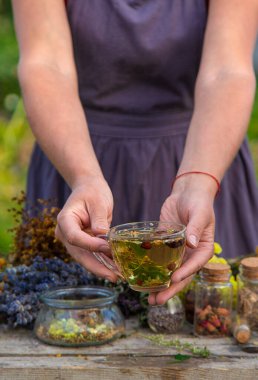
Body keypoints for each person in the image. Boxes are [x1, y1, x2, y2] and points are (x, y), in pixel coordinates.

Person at [12, 0, 258, 305]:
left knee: (213, 316)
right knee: (66, 319)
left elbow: (227, 70)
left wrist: (198, 181)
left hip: (202, 156)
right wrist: (84, 177)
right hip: (76, 157)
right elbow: (46, 64)